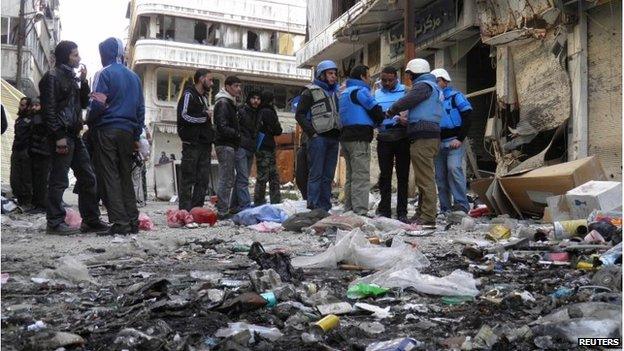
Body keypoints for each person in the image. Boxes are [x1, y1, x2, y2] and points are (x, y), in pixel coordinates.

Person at [40, 40, 107, 234]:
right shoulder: (52, 77)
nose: (79, 58)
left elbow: (82, 103)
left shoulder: (71, 77)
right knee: (59, 180)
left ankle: (91, 220)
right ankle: (54, 222)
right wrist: (59, 135)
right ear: (65, 56)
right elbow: (49, 110)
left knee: (88, 176)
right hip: (62, 135)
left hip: (74, 135)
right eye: (75, 55)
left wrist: (84, 81)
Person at [88, 37, 145, 235]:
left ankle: (120, 222)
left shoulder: (103, 74)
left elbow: (98, 104)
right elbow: (140, 109)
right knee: (125, 176)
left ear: (105, 54)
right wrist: (136, 135)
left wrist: (90, 122)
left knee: (110, 175)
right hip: (128, 132)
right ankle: (132, 220)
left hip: (107, 129)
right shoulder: (135, 78)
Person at [386, 58, 443, 226]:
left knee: (425, 179)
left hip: (423, 138)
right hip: (430, 135)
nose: (408, 78)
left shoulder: (423, 86)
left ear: (413, 74)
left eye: (409, 75)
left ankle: (428, 216)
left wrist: (392, 110)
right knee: (422, 178)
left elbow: (407, 100)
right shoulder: (434, 87)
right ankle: (421, 212)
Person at [338, 65, 384, 216]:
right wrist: (382, 120)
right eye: (368, 76)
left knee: (351, 176)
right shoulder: (361, 91)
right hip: (359, 137)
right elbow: (375, 110)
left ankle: (349, 208)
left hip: (345, 137)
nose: (370, 79)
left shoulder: (344, 93)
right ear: (363, 77)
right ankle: (360, 211)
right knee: (361, 175)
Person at [295, 60, 340, 211]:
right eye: (330, 73)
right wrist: (312, 133)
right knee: (316, 173)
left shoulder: (336, 92)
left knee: (328, 175)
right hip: (318, 138)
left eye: (334, 73)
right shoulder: (310, 91)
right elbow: (299, 115)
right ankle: (313, 205)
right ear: (322, 75)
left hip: (334, 138)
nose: (333, 76)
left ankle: (324, 206)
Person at [431, 68, 473, 213]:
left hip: (454, 141)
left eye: (437, 81)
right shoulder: (432, 100)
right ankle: (445, 208)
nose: (435, 84)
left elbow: (468, 116)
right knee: (440, 177)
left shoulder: (456, 97)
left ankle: (462, 205)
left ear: (445, 81)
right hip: (438, 143)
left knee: (454, 169)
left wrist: (460, 138)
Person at [374, 66, 409, 222]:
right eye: (384, 80)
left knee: (403, 176)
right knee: (385, 176)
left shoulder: (406, 91)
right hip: (383, 138)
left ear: (397, 78)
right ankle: (385, 210)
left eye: (390, 80)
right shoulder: (376, 94)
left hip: (402, 137)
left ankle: (402, 212)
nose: (387, 83)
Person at [176, 68, 214, 211]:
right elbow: (184, 116)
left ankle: (196, 210)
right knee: (188, 178)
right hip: (192, 143)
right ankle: (184, 211)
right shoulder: (188, 95)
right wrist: (204, 117)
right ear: (201, 79)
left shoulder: (204, 97)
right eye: (210, 80)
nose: (211, 83)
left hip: (204, 143)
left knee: (203, 179)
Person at [214, 75, 242, 218]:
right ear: (227, 86)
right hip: (225, 144)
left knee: (228, 177)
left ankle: (224, 208)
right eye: (236, 86)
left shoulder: (230, 102)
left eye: (239, 86)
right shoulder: (224, 102)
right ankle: (222, 211)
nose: (239, 89)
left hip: (228, 144)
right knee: (226, 178)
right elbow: (222, 126)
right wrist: (237, 134)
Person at [230, 90, 261, 213]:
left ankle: (234, 205)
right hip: (241, 147)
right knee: (243, 178)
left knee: (241, 178)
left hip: (250, 148)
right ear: (249, 99)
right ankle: (245, 206)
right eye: (253, 98)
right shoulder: (242, 111)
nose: (256, 101)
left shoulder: (258, 113)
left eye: (258, 99)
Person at [254, 90, 283, 205]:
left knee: (263, 175)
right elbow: (278, 130)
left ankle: (259, 201)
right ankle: (274, 201)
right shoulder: (269, 111)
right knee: (272, 176)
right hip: (267, 147)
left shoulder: (259, 111)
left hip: (261, 146)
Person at [28, 97, 51, 214]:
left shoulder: (42, 117)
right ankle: (38, 203)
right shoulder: (35, 117)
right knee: (37, 180)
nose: (34, 107)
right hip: (37, 152)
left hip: (44, 153)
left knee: (42, 180)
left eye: (37, 105)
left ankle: (42, 204)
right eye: (33, 105)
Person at [10, 97, 33, 207]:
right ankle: (18, 198)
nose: (20, 107)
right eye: (20, 104)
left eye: (23, 105)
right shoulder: (19, 120)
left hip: (26, 151)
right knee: (15, 177)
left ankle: (27, 201)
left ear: (28, 107)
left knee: (26, 177)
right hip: (16, 150)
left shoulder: (32, 120)